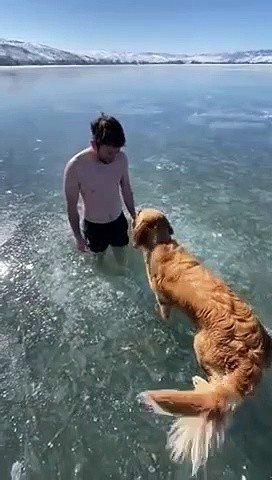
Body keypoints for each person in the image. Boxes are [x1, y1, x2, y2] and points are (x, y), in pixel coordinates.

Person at [63, 113, 136, 264]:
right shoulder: (76, 167)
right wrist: (78, 237)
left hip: (118, 221)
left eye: (117, 151)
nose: (113, 157)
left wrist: (135, 217)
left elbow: (126, 189)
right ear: (94, 144)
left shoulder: (121, 159)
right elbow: (72, 207)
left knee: (122, 258)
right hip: (94, 227)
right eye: (109, 152)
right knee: (99, 262)